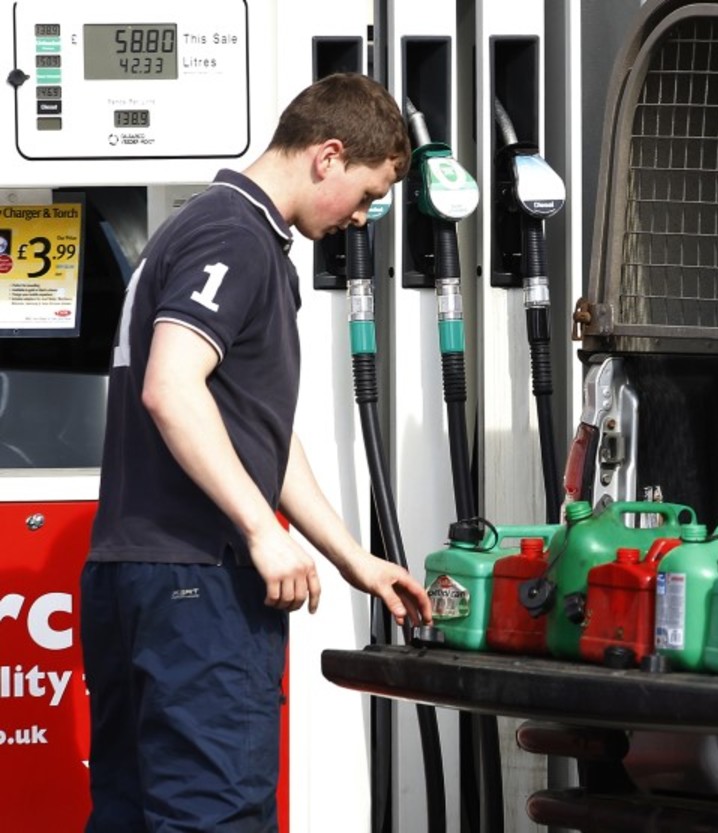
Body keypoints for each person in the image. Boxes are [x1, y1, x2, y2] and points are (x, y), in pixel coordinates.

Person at [80, 72, 432, 833]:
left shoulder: (201, 227)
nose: (360, 217)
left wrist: (354, 559)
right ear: (328, 156)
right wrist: (260, 531)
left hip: (135, 574)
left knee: (131, 813)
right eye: (367, 195)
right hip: (198, 582)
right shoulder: (233, 235)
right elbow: (172, 388)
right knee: (216, 815)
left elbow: (256, 432)